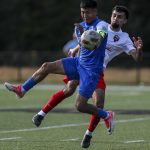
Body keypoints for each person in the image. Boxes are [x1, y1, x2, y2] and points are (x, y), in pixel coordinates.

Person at [24, 5, 142, 148]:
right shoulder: (101, 26)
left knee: (98, 104)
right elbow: (89, 39)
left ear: (125, 21)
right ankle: (41, 114)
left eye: (120, 16)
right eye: (114, 15)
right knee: (69, 89)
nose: (116, 18)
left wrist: (139, 50)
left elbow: (136, 57)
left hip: (96, 71)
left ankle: (88, 135)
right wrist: (75, 48)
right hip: (82, 64)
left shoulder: (124, 38)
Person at [4, 0, 115, 141]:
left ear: (95, 12)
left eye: (87, 12)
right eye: (82, 12)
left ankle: (106, 115)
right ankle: (22, 89)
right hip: (78, 63)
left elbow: (95, 42)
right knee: (46, 66)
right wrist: (77, 45)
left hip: (91, 70)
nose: (84, 15)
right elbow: (83, 45)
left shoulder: (102, 25)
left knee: (79, 105)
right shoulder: (80, 26)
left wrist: (83, 35)